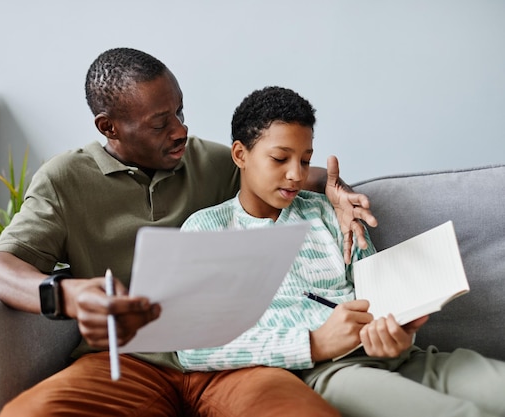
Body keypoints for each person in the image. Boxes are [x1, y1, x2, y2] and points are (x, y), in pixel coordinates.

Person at [0, 48, 376, 416]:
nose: (180, 130)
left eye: (180, 113)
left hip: (230, 359)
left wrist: (336, 193)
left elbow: (290, 174)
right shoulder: (65, 180)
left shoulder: (210, 161)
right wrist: (67, 295)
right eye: (160, 123)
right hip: (126, 364)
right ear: (109, 126)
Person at [176, 86, 505, 417]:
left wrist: (399, 333)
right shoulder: (206, 229)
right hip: (331, 372)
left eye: (305, 160)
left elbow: (378, 293)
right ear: (240, 155)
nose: (296, 174)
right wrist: (314, 343)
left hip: (405, 357)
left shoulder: (329, 213)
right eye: (280, 158)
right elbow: (192, 347)